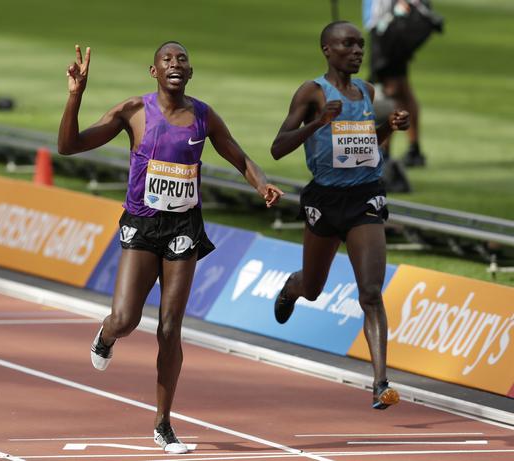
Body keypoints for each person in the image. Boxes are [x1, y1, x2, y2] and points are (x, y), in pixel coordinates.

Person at [58, 42, 283, 453]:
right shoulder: (134, 112)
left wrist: (260, 184)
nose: (175, 65)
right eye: (167, 60)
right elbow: (69, 146)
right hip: (142, 226)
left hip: (184, 228)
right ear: (153, 71)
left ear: (190, 73)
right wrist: (76, 96)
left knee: (169, 329)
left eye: (182, 60)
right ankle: (107, 335)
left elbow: (238, 155)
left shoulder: (203, 116)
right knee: (126, 319)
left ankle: (163, 423)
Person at [270, 21, 409, 410]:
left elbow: (366, 142)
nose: (357, 51)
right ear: (327, 50)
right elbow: (278, 147)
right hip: (325, 200)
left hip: (365, 196)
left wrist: (390, 127)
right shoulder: (312, 92)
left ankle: (380, 382)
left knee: (370, 292)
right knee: (314, 286)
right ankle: (291, 288)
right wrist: (317, 122)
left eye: (360, 45)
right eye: (348, 44)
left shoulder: (366, 91)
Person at [363, 0, 442, 168]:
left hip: (388, 28)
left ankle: (385, 152)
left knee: (390, 90)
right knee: (402, 90)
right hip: (391, 25)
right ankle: (414, 150)